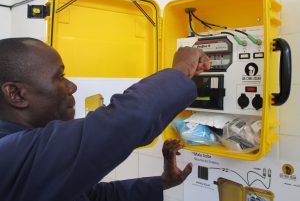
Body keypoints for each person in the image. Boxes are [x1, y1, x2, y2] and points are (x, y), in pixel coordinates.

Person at [0, 37, 210, 201]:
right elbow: (122, 122)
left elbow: (89, 197)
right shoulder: (8, 154)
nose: (72, 87)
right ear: (16, 94)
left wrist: (161, 183)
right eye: (60, 76)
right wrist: (181, 70)